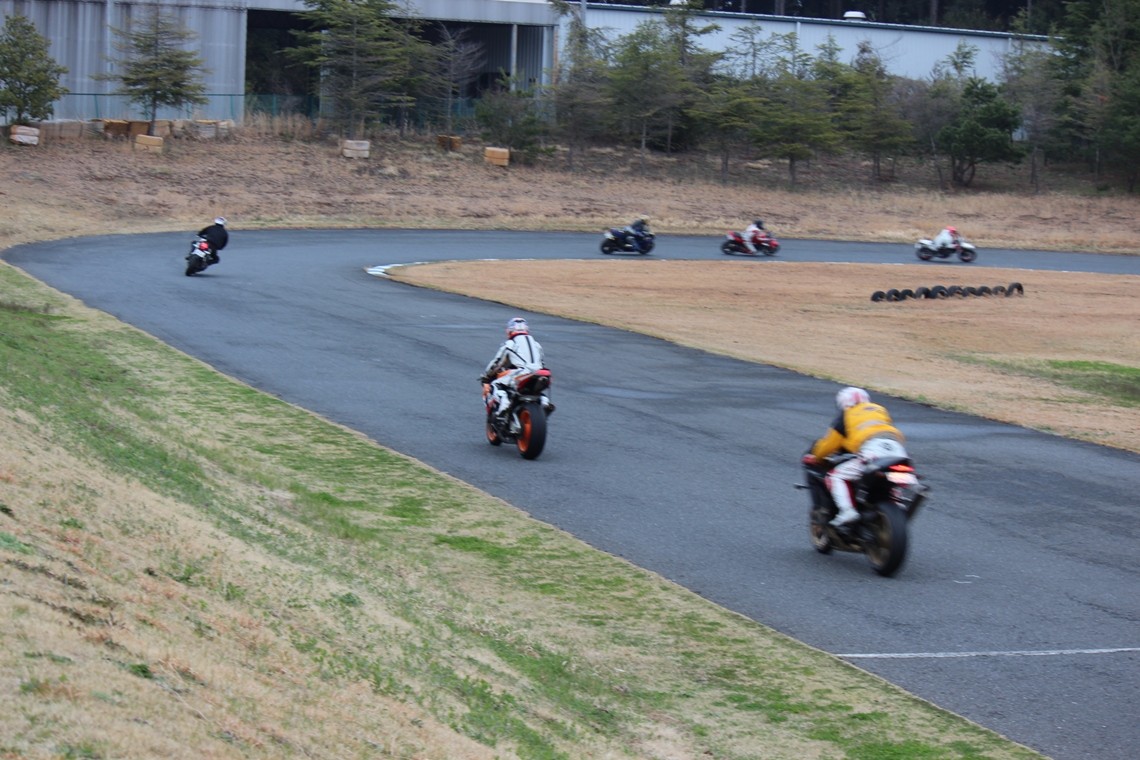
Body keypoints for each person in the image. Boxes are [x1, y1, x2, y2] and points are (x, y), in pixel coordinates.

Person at [803, 387, 908, 527]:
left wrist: (816, 457)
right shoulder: (879, 409)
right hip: (897, 449)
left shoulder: (847, 415)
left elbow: (829, 445)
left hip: (873, 450)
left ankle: (847, 511)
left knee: (835, 476)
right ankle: (896, 502)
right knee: (890, 475)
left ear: (843, 404)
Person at [480, 317, 554, 420]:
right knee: (537, 391)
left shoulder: (511, 344)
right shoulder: (537, 344)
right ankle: (544, 402)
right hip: (540, 373)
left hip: (522, 372)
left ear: (510, 331)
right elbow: (541, 363)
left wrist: (486, 377)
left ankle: (504, 404)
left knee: (496, 384)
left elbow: (497, 363)